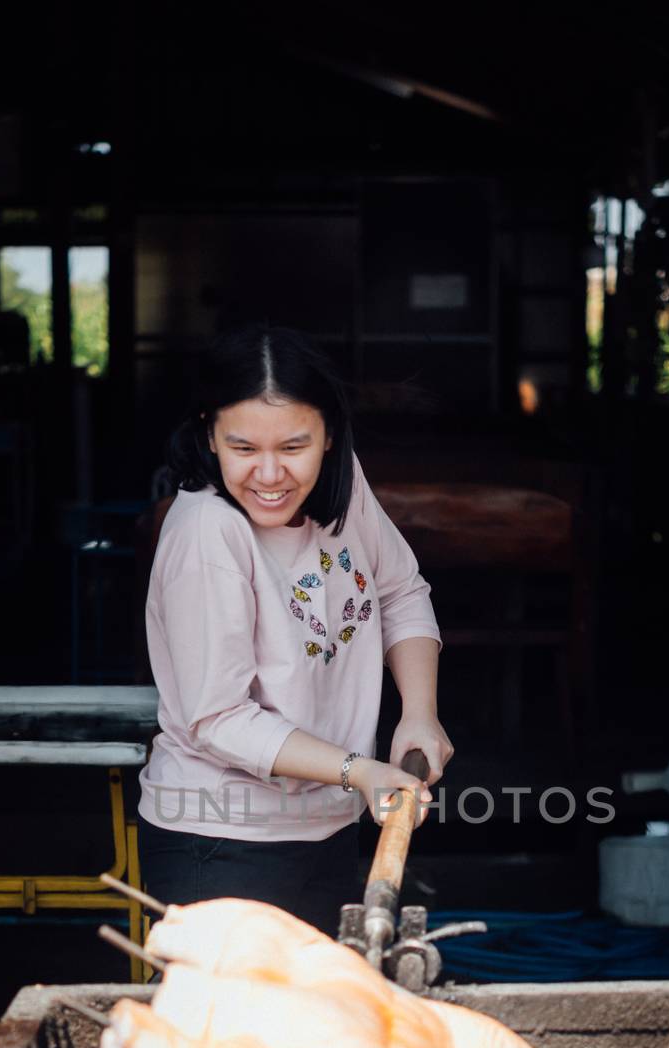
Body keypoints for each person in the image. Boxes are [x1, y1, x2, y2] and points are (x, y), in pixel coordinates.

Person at [137, 325, 453, 933]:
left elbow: (400, 590)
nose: (270, 473)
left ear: (329, 436)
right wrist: (358, 770)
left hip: (327, 827)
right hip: (220, 842)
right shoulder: (207, 531)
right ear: (209, 434)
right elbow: (218, 717)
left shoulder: (342, 486)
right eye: (243, 447)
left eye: (293, 446)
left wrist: (420, 711)